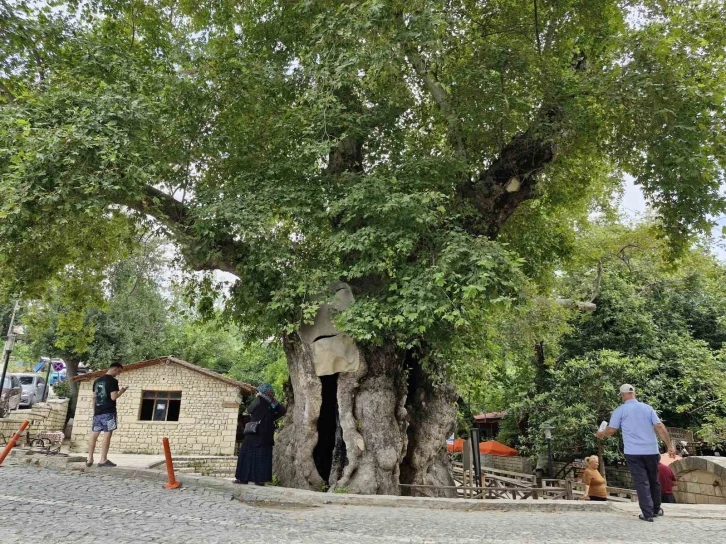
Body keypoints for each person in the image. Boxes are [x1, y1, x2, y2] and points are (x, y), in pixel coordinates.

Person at [596, 384, 676, 522]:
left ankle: (647, 513)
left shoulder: (620, 410)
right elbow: (660, 427)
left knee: (641, 482)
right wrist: (669, 445)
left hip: (633, 452)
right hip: (651, 450)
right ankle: (656, 509)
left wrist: (601, 434)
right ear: (635, 393)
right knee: (654, 480)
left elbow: (611, 430)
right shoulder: (647, 408)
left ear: (622, 395)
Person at [234, 383, 286, 486]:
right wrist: (271, 418)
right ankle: (260, 480)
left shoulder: (258, 400)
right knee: (263, 456)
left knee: (247, 453)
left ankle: (243, 479)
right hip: (266, 435)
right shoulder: (272, 402)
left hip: (254, 432)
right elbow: (283, 411)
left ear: (262, 391)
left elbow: (248, 411)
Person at [86, 362, 128, 467]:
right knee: (107, 434)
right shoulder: (113, 381)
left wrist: (95, 411)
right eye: (118, 371)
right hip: (109, 411)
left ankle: (89, 459)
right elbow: (113, 397)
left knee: (94, 434)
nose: (118, 374)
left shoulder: (97, 381)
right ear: (115, 368)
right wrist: (121, 391)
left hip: (98, 412)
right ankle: (103, 459)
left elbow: (94, 397)